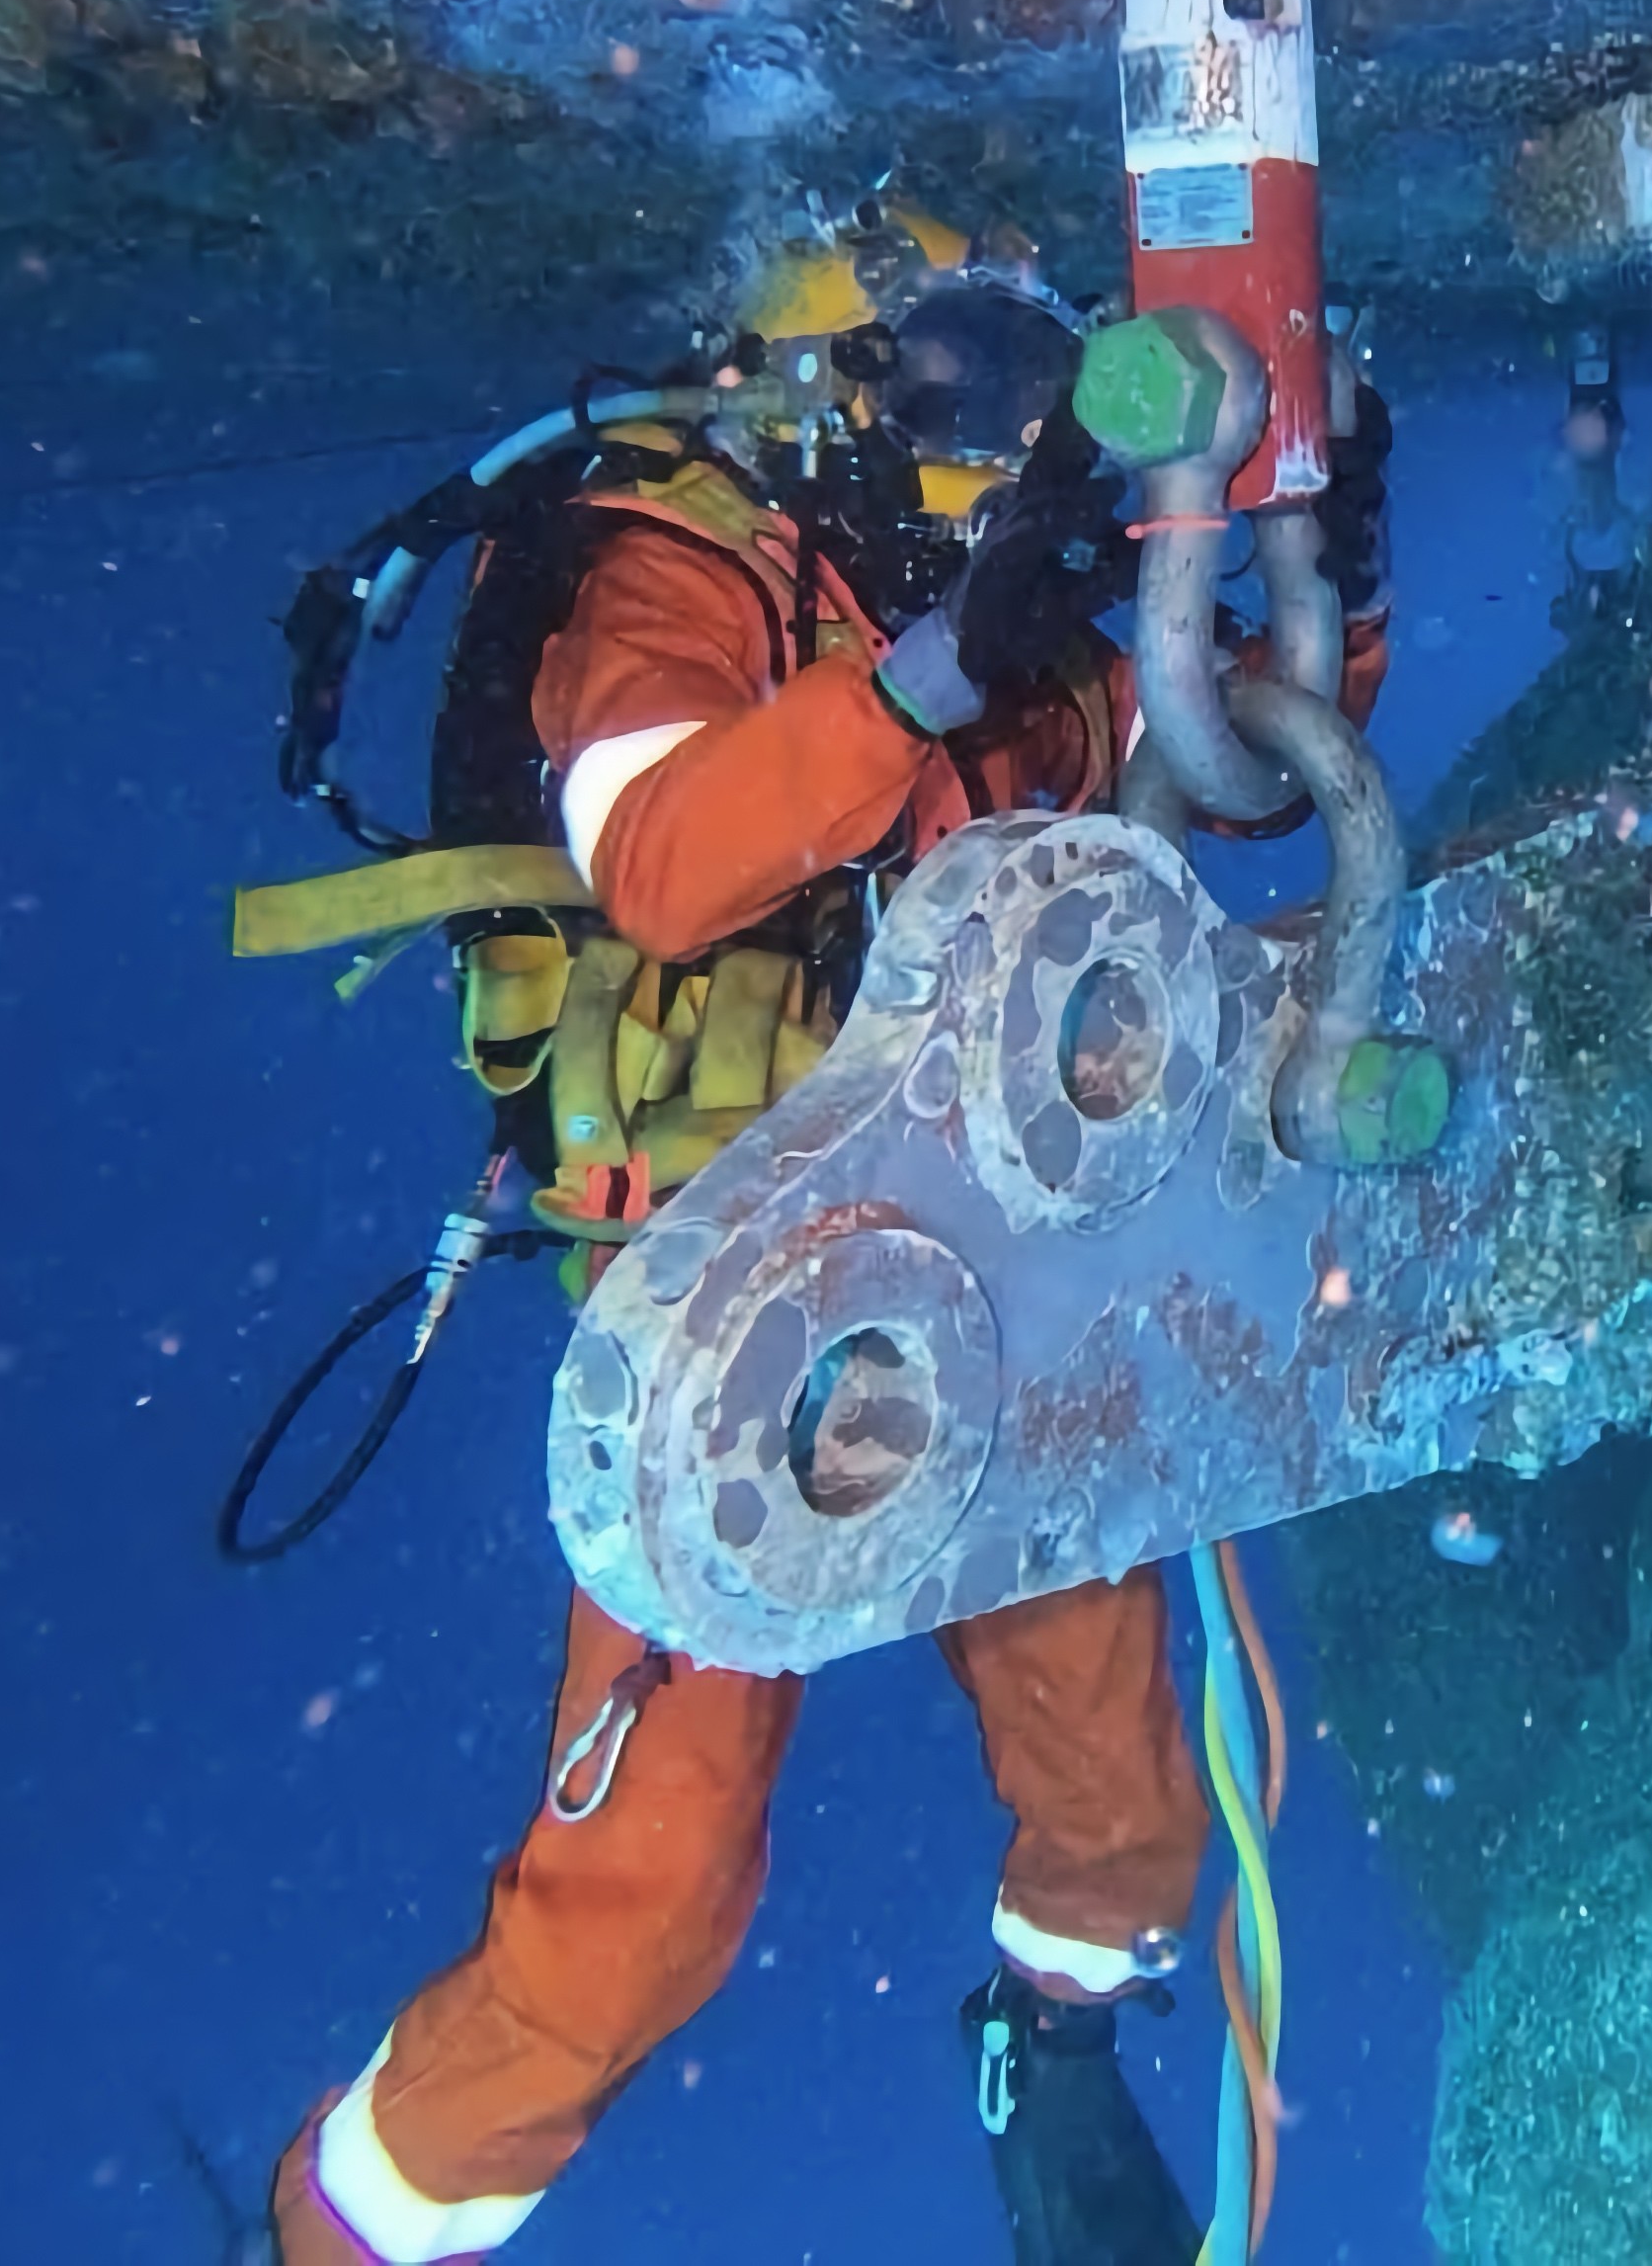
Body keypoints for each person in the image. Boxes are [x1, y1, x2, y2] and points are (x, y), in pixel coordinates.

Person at [269, 209, 1391, 2266]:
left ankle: (1053, 2042)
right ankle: (330, 2242)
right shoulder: (673, 563)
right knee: (646, 1900)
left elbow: (1209, 766)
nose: (992, 434)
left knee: (1126, 1787)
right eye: (952, 379)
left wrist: (1340, 578)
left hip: (978, 1240)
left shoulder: (975, 603)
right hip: (726, 1291)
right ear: (823, 391)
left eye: (1024, 385)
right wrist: (941, 656)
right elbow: (668, 854)